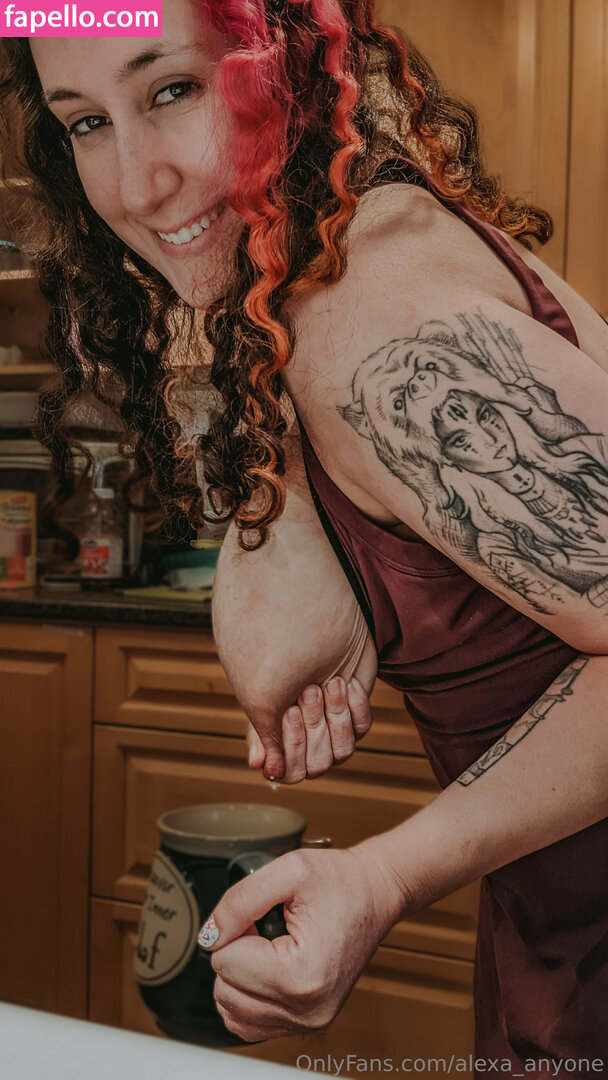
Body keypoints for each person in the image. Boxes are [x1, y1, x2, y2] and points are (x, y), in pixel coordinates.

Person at [2, 1, 608, 1070]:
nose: (135, 185)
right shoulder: (310, 275)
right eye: (85, 122)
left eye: (172, 90)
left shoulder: (369, 323)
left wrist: (384, 876)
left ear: (277, 64)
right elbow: (278, 639)